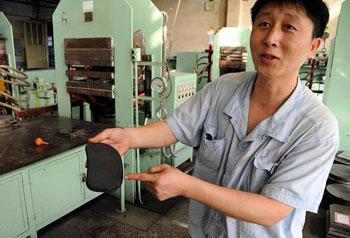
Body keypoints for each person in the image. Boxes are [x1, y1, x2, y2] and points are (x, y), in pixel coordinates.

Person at [89, 0, 339, 237]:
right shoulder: (223, 89)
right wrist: (128, 136)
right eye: (264, 24)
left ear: (313, 46)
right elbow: (174, 128)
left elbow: (271, 210)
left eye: (289, 27)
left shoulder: (317, 128)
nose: (271, 38)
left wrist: (186, 185)